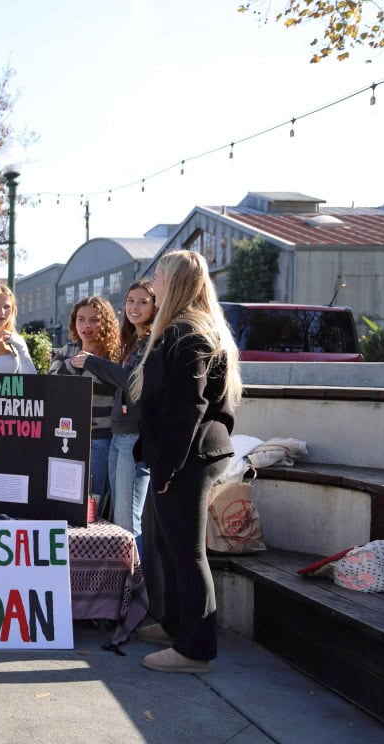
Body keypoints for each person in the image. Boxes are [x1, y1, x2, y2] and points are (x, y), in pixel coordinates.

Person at [130, 250, 241, 674]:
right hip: (187, 455)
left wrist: (167, 468)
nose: (152, 284)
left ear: (173, 282)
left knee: (187, 553)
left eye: (158, 277)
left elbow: (187, 409)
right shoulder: (187, 329)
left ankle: (195, 651)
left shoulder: (188, 333)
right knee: (167, 545)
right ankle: (175, 625)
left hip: (189, 457)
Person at [71, 280, 157, 557]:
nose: (134, 307)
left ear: (156, 306)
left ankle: (137, 581)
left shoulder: (153, 341)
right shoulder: (134, 342)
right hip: (119, 435)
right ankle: (124, 578)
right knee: (118, 521)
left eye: (142, 302)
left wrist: (92, 362)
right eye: (130, 301)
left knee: (127, 521)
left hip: (131, 436)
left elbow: (134, 382)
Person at [49, 296, 121, 503]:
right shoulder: (67, 351)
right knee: (64, 498)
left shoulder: (114, 355)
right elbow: (50, 385)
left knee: (93, 501)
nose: (86, 326)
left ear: (105, 322)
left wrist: (93, 362)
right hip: (67, 437)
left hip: (100, 439)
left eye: (94, 320)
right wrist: (74, 363)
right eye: (81, 319)